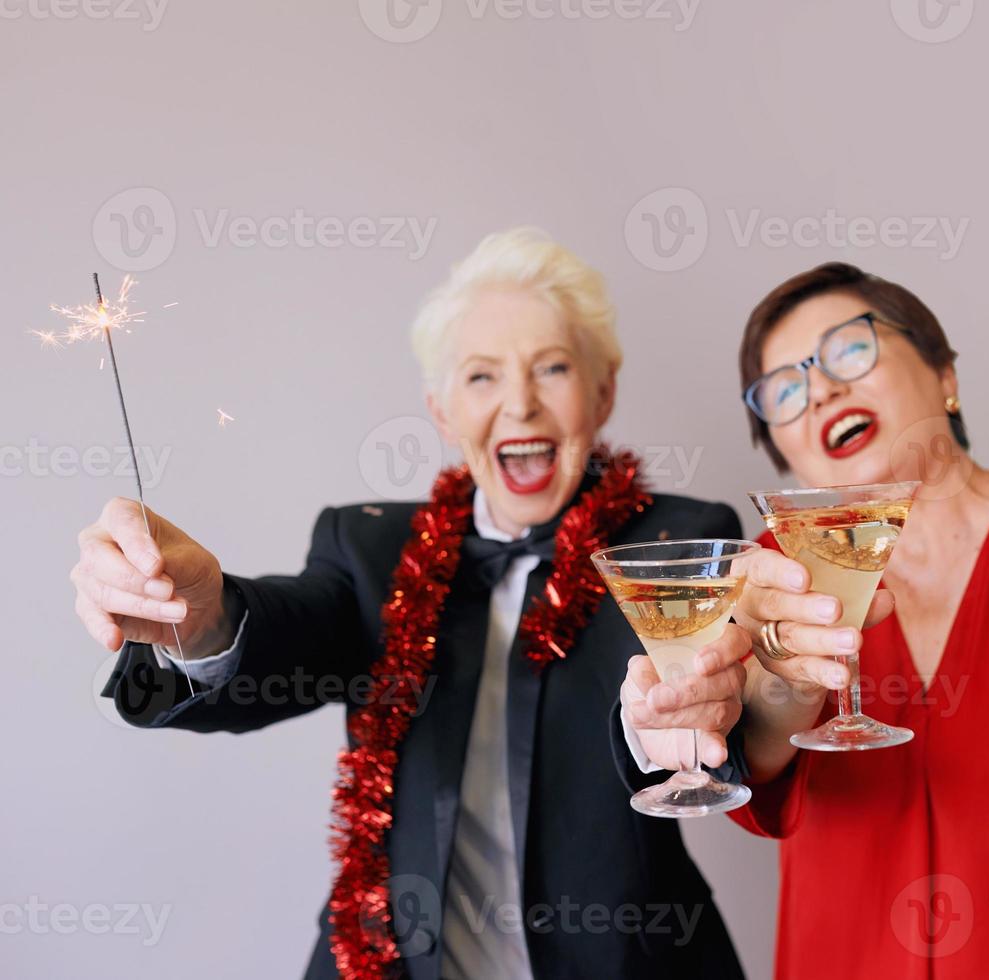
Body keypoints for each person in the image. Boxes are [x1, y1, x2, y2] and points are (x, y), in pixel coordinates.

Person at [73, 229, 752, 980]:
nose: (519, 403)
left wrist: (675, 722)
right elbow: (289, 630)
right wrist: (199, 615)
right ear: (441, 409)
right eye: (481, 377)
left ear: (602, 390)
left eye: (552, 368)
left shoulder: (683, 540)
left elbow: (730, 720)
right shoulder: (369, 547)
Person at [620, 263, 989, 977]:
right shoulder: (772, 571)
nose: (821, 391)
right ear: (784, 450)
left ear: (944, 374)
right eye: (784, 391)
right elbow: (755, 741)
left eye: (848, 350)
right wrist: (729, 702)